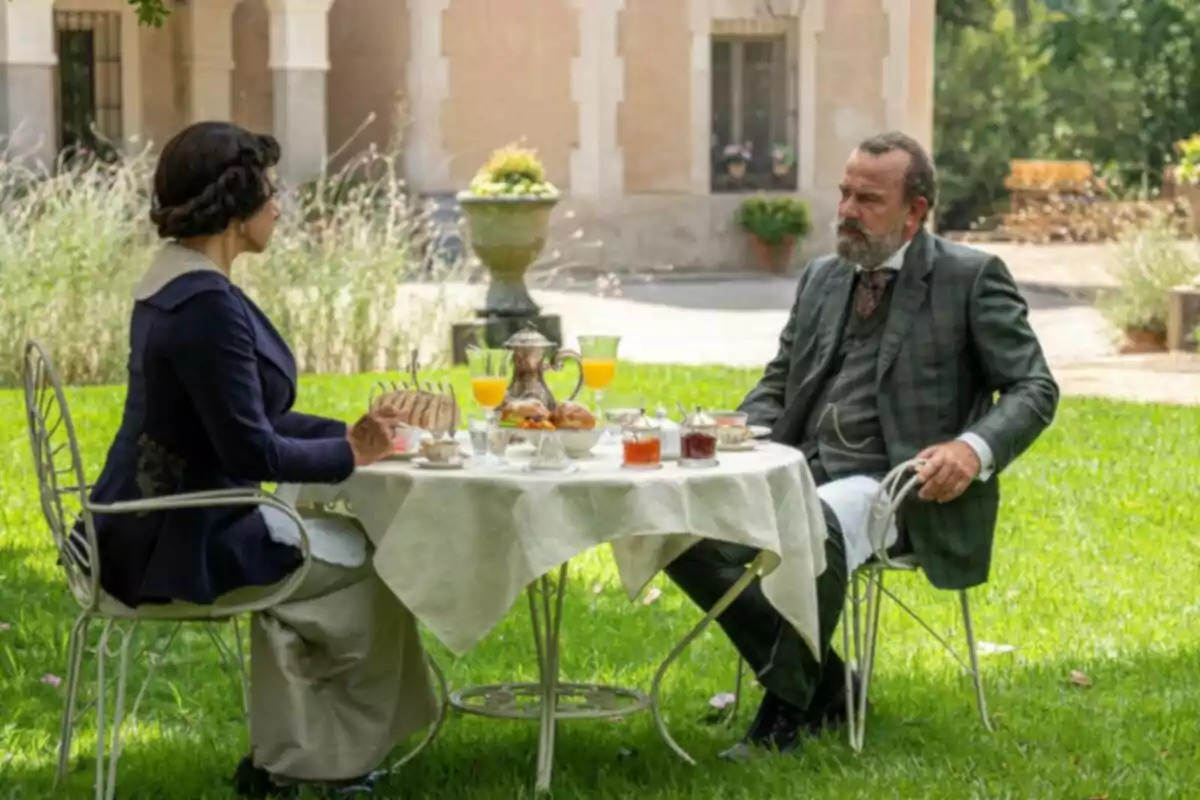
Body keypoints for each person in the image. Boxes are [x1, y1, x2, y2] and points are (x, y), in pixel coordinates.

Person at [665, 131, 1059, 760]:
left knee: (811, 525)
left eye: (868, 199)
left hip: (898, 487)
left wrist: (971, 449)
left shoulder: (971, 278)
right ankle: (829, 685)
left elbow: (1034, 388)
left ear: (915, 210)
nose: (847, 209)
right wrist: (725, 437)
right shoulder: (824, 276)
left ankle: (786, 712)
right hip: (801, 467)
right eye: (845, 192)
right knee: (677, 530)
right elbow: (780, 381)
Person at [85, 121, 437, 796]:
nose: (279, 205)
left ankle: (291, 756)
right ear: (235, 206)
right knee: (379, 565)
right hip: (182, 538)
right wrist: (351, 455)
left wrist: (352, 435)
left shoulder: (174, 283)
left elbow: (249, 419)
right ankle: (325, 764)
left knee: (322, 554)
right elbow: (250, 447)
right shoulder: (205, 303)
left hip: (140, 522)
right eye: (271, 191)